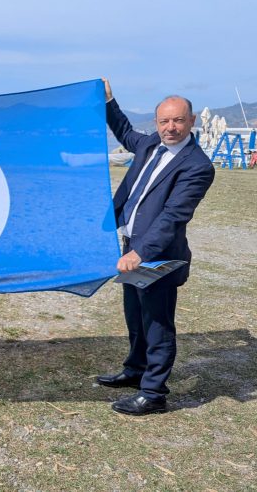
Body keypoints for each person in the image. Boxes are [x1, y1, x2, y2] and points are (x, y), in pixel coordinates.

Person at [96, 79, 214, 416]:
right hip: (131, 245)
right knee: (135, 315)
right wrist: (109, 101)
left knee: (157, 324)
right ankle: (135, 370)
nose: (170, 127)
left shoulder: (197, 166)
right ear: (156, 122)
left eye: (178, 120)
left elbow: (173, 217)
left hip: (157, 256)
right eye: (164, 121)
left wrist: (140, 253)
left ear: (191, 121)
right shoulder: (150, 144)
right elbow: (124, 132)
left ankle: (153, 393)